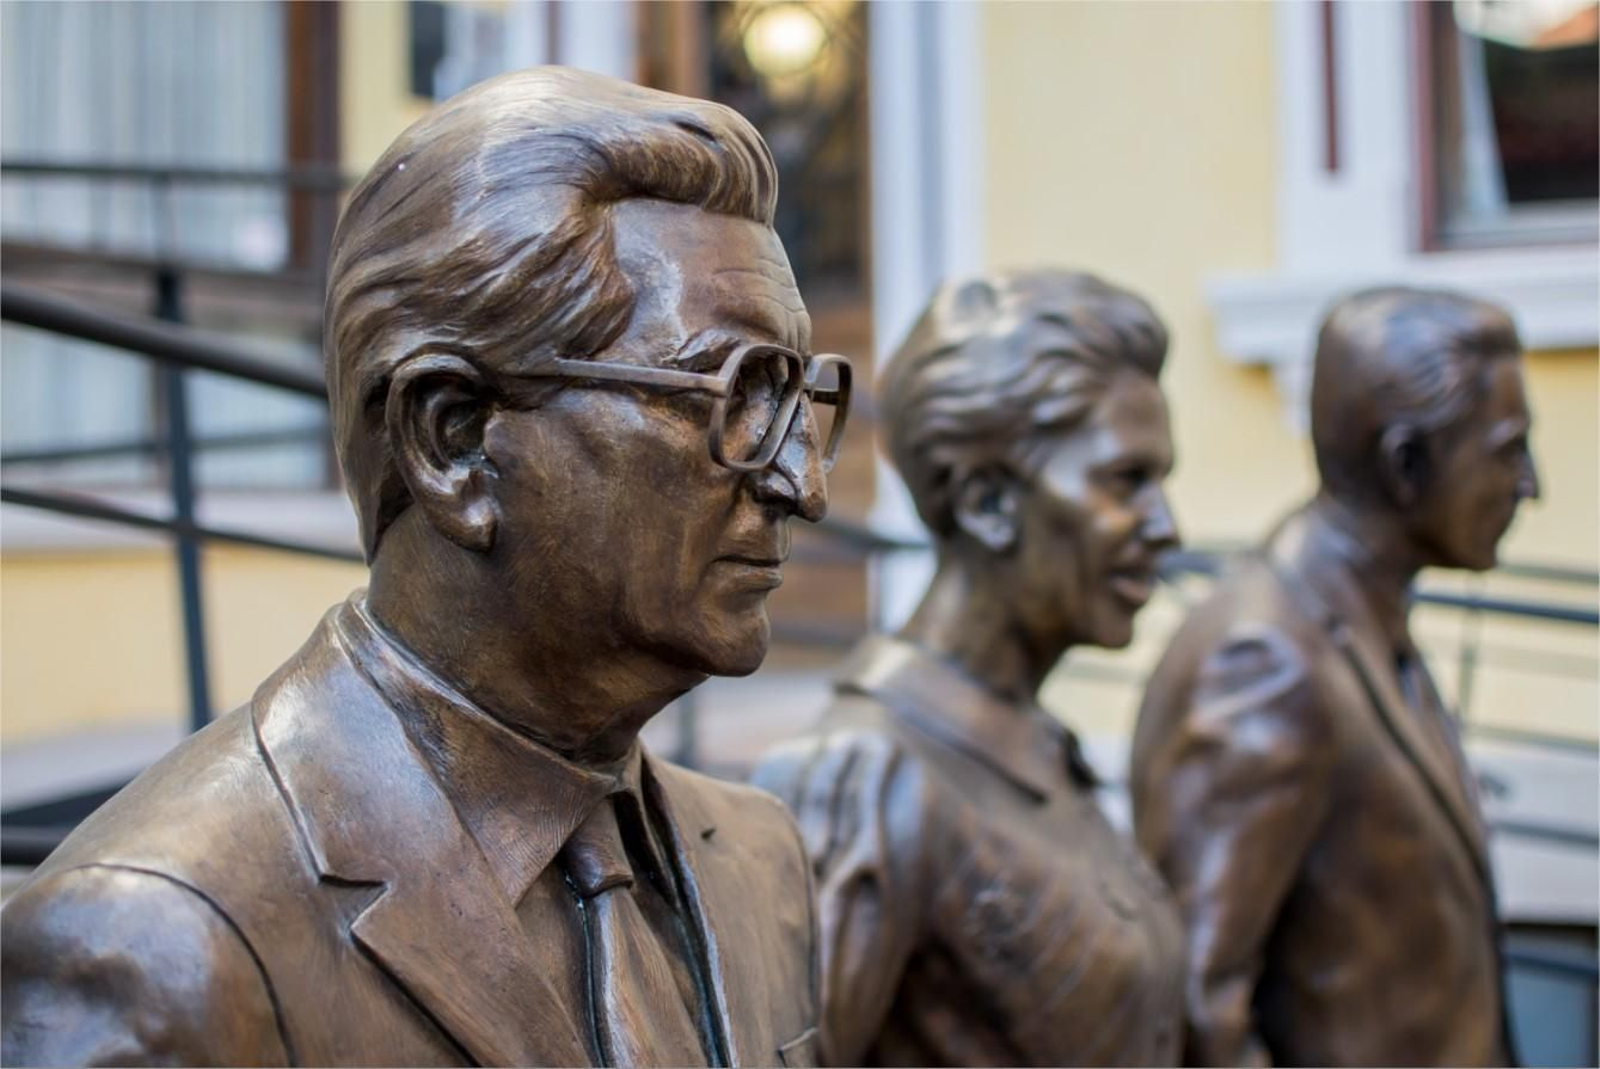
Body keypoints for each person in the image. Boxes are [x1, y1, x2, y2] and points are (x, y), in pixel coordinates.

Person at [1, 67, 852, 1068]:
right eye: (737, 392)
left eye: (799, 396)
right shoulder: (161, 945)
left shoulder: (759, 862)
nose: (803, 482)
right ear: (453, 441)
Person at [752, 269, 1186, 1067]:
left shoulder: (1040, 745)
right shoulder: (862, 777)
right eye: (1127, 480)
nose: (1166, 528)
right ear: (988, 500)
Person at [1130, 287, 1538, 1067]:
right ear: (1407, 464)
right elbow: (1195, 1006)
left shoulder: (1361, 616)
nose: (1528, 484)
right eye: (1506, 450)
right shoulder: (1266, 659)